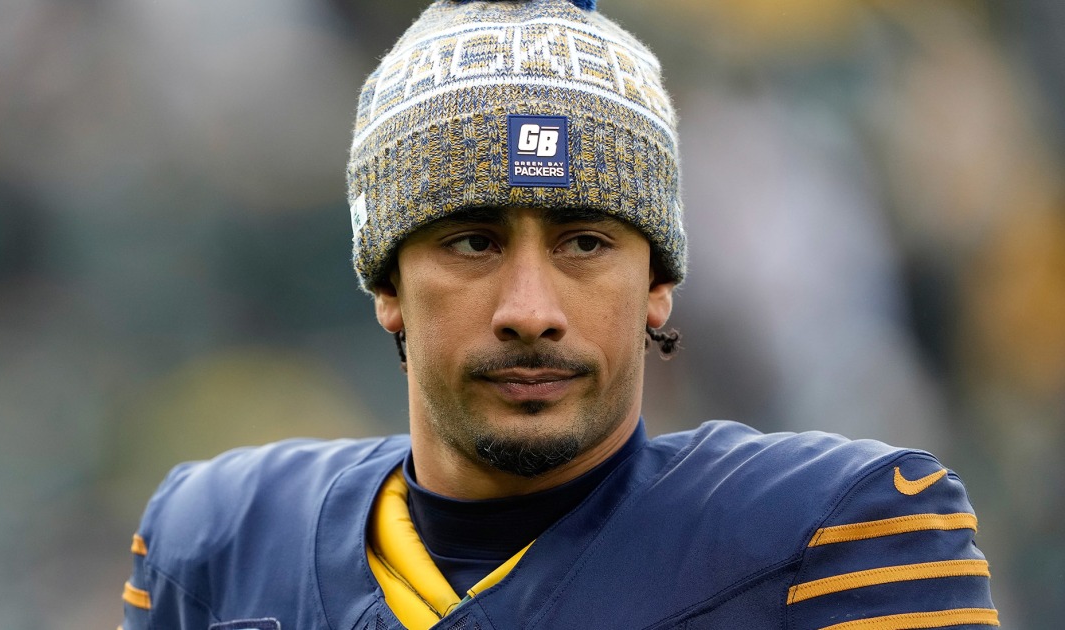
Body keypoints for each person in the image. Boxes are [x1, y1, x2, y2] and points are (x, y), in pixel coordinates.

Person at [121, 1, 998, 628]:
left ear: (658, 282)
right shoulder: (215, 546)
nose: (530, 311)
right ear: (386, 284)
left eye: (584, 242)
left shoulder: (838, 538)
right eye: (472, 241)